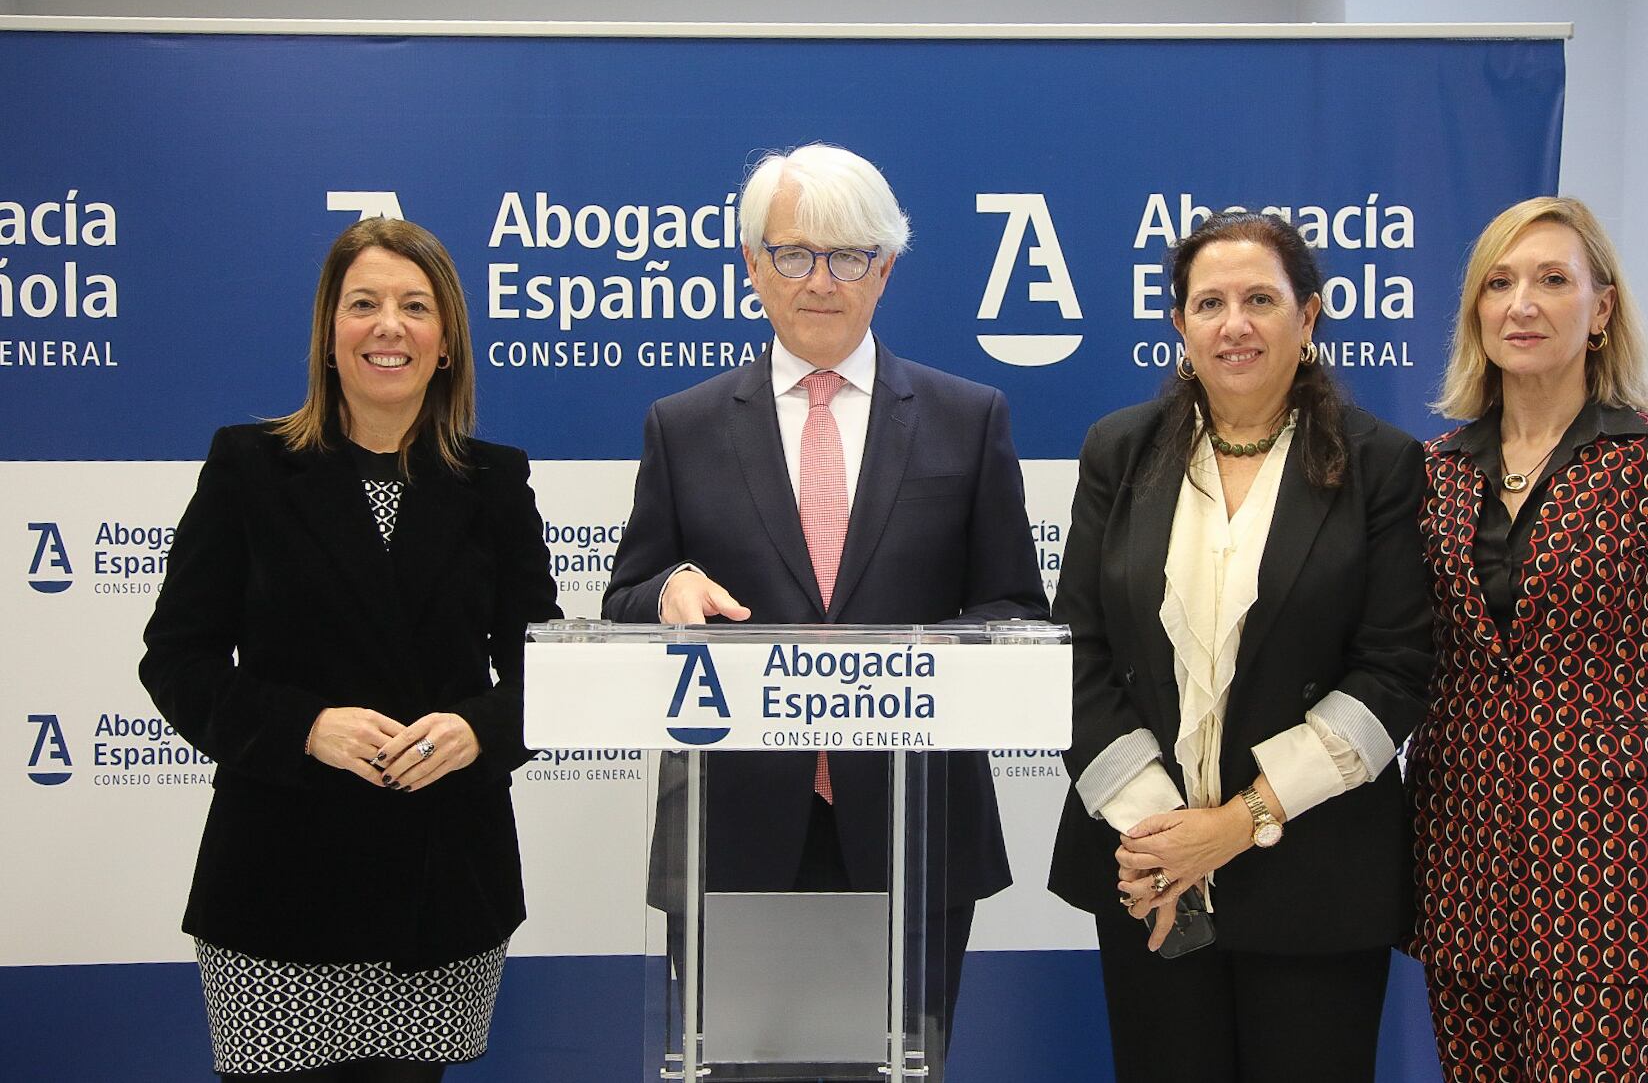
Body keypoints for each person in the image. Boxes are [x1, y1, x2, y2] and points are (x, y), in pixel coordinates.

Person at [602, 142, 1049, 1054]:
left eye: (849, 255)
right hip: (736, 830)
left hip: (912, 822)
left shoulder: (969, 418)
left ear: (884, 269)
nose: (821, 280)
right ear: (751, 266)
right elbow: (625, 600)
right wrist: (669, 588)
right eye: (795, 253)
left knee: (896, 1071)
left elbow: (1013, 608)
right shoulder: (681, 427)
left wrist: (923, 657)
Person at [139, 218, 561, 1083]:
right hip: (278, 884)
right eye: (362, 304)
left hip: (442, 886)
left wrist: (478, 731)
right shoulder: (248, 466)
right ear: (329, 334)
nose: (388, 326)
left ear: (445, 342)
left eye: (415, 306)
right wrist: (304, 726)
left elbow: (543, 668)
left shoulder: (494, 481)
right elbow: (175, 658)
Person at [1047, 211, 1434, 1083]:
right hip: (1145, 873)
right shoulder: (1119, 450)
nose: (1235, 324)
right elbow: (1077, 651)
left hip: (1315, 874)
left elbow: (1394, 671)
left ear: (1310, 315)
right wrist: (1164, 840)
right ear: (1178, 324)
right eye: (1209, 301)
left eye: (1261, 298)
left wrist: (1232, 824)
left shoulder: (1384, 463)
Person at [1407, 196, 1648, 1083]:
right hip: (1459, 871)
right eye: (1499, 282)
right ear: (1475, 311)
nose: (1520, 303)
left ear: (1600, 310)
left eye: (1551, 280)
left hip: (1611, 885)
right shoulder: (1433, 471)